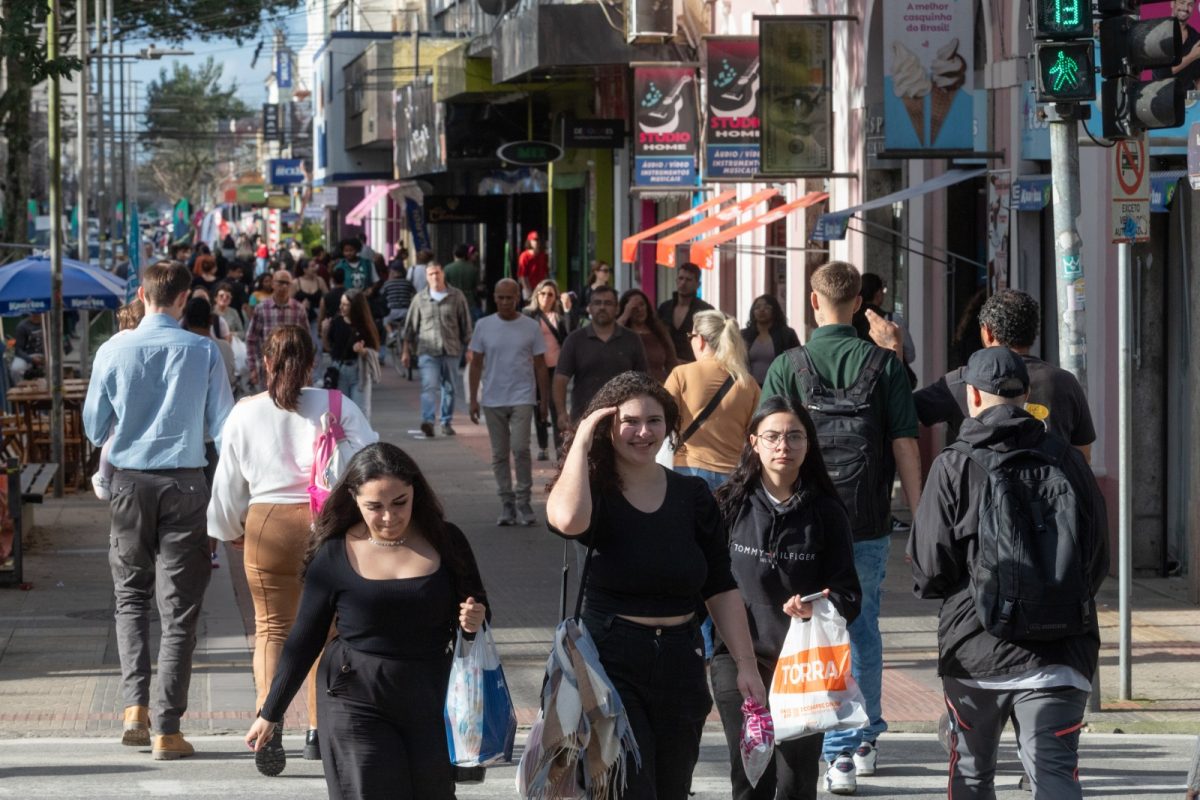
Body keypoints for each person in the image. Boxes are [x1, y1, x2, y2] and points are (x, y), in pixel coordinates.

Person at [545, 371, 767, 800]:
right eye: (629, 421)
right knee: (629, 789)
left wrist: (745, 664)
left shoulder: (694, 495)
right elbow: (568, 521)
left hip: (683, 657)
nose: (643, 432)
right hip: (611, 656)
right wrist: (584, 437)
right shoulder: (594, 491)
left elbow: (720, 585)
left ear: (669, 426)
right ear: (608, 426)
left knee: (672, 787)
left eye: (655, 420)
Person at [909, 348, 1109, 800]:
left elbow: (928, 569)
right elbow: (1098, 560)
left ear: (973, 397)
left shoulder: (954, 464)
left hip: (976, 651)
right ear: (1024, 396)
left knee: (972, 775)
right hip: (1061, 651)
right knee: (1055, 775)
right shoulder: (1070, 461)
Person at [760, 261, 923, 794]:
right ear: (859, 304)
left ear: (813, 302)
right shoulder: (886, 365)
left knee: (802, 624)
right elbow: (904, 442)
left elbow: (766, 441)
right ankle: (860, 741)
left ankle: (816, 735)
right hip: (867, 520)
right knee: (861, 625)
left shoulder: (788, 364)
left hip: (797, 518)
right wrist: (919, 517)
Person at [244, 443, 489, 798]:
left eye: (399, 502)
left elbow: (478, 607)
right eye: (375, 507)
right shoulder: (333, 552)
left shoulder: (447, 541)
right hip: (353, 695)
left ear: (414, 493)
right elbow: (305, 639)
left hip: (431, 694)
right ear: (355, 500)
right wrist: (271, 712)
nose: (389, 517)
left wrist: (473, 618)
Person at [82, 261, 235, 760]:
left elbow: (93, 424)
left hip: (128, 483)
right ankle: (168, 728)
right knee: (180, 609)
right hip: (185, 483)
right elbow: (223, 424)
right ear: (182, 297)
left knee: (130, 598)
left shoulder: (112, 349)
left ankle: (134, 708)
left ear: (143, 294)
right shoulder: (202, 350)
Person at [209, 325, 377, 775]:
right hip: (324, 524)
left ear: (265, 362)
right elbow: (374, 461)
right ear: (312, 363)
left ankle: (271, 720)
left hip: (266, 523)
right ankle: (319, 732)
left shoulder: (245, 413)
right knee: (329, 628)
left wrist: (228, 528)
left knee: (271, 630)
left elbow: (227, 484)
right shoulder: (338, 405)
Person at [713, 395, 862, 800]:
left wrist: (819, 605)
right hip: (738, 659)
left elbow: (850, 594)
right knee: (752, 778)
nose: (784, 446)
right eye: (773, 436)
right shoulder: (729, 504)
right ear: (753, 442)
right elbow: (704, 585)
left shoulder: (827, 512)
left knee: (796, 784)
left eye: (795, 437)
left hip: (802, 667)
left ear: (808, 445)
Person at [874, 288, 1097, 461]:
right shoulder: (1065, 382)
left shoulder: (963, 381)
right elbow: (1083, 456)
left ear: (987, 333)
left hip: (984, 513)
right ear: (1033, 333)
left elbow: (902, 412)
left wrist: (894, 352)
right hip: (1051, 514)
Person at [468, 279, 550, 526]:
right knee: (499, 453)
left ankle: (523, 500)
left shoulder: (530, 327)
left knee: (521, 448)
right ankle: (506, 502)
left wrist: (544, 401)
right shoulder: (484, 325)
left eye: (510, 297)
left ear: (518, 298)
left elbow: (540, 365)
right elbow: (476, 363)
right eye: (500, 297)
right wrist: (473, 399)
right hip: (493, 398)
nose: (505, 302)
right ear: (494, 297)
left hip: (522, 396)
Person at [665, 310, 759, 491]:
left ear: (700, 340)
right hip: (733, 474)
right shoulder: (748, 383)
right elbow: (755, 430)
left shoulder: (681, 374)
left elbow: (663, 419)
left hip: (687, 468)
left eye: (690, 336)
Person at [553, 285, 648, 431]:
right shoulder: (574, 340)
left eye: (608, 303)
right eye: (597, 303)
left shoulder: (632, 339)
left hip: (624, 420)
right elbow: (561, 379)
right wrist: (561, 413)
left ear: (617, 309)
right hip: (584, 419)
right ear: (589, 308)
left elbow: (643, 379)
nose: (602, 307)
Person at [401, 261, 474, 438]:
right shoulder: (420, 299)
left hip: (451, 350)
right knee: (429, 386)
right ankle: (428, 421)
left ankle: (446, 421)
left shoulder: (457, 296)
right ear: (426, 277)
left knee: (449, 388)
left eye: (437, 273)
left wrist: (469, 348)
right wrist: (405, 350)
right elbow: (410, 327)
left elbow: (466, 323)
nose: (435, 277)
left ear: (443, 274)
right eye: (431, 274)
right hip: (428, 350)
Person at [524, 278, 572, 460]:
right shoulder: (528, 314)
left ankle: (560, 447)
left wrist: (567, 311)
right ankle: (543, 446)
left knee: (556, 405)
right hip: (535, 367)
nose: (546, 297)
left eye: (550, 294)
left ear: (555, 298)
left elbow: (569, 337)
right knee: (539, 405)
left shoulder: (558, 316)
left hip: (556, 366)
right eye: (543, 293)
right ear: (537, 294)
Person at [245, 269, 309, 390]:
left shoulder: (298, 309)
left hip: (293, 370)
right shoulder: (261, 308)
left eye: (287, 283)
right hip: (267, 369)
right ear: (273, 284)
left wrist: (306, 369)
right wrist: (252, 367)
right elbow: (251, 339)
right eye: (280, 282)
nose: (284, 286)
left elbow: (306, 341)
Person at [322, 291, 381, 419]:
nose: (341, 307)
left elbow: (375, 350)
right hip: (339, 371)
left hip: (359, 372)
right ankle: (343, 439)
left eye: (345, 304)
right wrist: (324, 332)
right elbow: (328, 348)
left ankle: (361, 439)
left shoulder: (365, 326)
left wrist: (363, 351)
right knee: (339, 413)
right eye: (341, 304)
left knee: (361, 413)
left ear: (355, 306)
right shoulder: (336, 322)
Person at [657, 262, 715, 364]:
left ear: (698, 284)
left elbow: (712, 341)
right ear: (676, 280)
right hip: (666, 366)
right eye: (681, 278)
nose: (683, 283)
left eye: (688, 280)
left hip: (694, 365)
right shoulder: (664, 308)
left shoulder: (705, 310)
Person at [618, 288, 678, 383]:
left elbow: (672, 362)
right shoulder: (623, 334)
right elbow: (611, 336)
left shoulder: (658, 331)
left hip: (660, 386)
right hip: (633, 388)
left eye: (642, 305)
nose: (640, 310)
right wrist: (625, 315)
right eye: (634, 307)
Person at [742, 294, 801, 386]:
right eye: (757, 307)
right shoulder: (744, 335)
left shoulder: (786, 334)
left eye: (767, 307)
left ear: (774, 311)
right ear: (752, 312)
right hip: (749, 387)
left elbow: (797, 362)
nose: (762, 310)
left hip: (777, 387)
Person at [1154, 0, 1200, 88]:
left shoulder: (1196, 37)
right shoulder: (1158, 33)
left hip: (1188, 99)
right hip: (1162, 98)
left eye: (1190, 5)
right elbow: (1161, 74)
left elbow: (1198, 76)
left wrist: (1197, 99)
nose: (1186, 8)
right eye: (1182, 2)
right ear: (1172, 3)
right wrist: (1192, 56)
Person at [293, 257, 329, 350]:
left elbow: (328, 297)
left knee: (316, 346)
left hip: (317, 317)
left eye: (316, 266)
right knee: (301, 347)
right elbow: (288, 301)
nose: (315, 268)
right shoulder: (296, 283)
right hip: (300, 318)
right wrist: (300, 305)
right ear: (305, 269)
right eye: (312, 266)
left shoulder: (320, 280)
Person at [380, 262, 416, 340]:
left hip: (392, 311)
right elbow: (414, 293)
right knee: (409, 323)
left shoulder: (387, 283)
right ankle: (405, 333)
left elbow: (381, 294)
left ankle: (391, 334)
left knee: (385, 321)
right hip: (406, 311)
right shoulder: (408, 283)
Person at [444, 243, 480, 316]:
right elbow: (476, 287)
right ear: (466, 254)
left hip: (452, 301)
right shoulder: (473, 269)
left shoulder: (447, 268)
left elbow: (444, 287)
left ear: (454, 254)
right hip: (469, 301)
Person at [10, 313, 45, 384]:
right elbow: (18, 350)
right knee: (16, 369)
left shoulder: (49, 323)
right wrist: (30, 359)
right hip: (27, 355)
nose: (36, 316)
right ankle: (19, 388)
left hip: (45, 354)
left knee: (54, 366)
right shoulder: (22, 326)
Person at [516, 230, 549, 300]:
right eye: (534, 240)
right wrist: (528, 291)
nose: (537, 242)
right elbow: (522, 275)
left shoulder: (543, 255)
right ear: (529, 242)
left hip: (541, 288)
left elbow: (546, 272)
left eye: (538, 240)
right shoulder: (524, 256)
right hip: (529, 288)